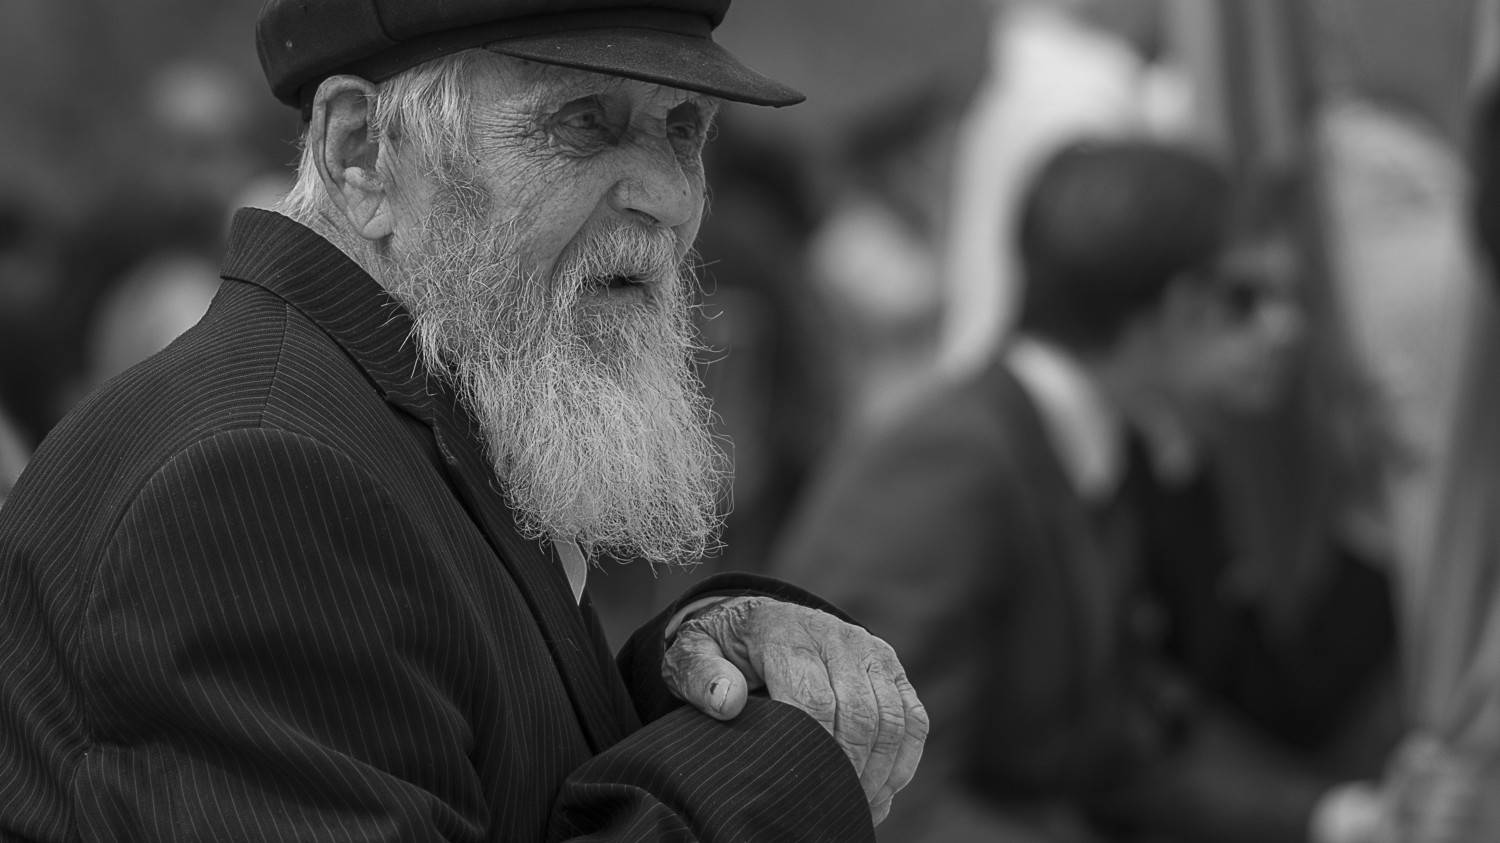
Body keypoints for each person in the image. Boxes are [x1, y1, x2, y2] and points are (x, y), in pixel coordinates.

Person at [0, 1, 928, 840]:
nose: (670, 197)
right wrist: (775, 760)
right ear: (362, 151)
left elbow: (481, 764)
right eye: (583, 123)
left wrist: (704, 681)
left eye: (683, 130)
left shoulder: (407, 404)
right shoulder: (259, 474)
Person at [773, 138, 1398, 843]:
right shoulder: (954, 462)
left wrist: (1338, 818)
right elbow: (867, 791)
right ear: (1179, 306)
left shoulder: (1080, 442)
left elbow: (1126, 742)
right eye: (1242, 298)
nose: (1285, 330)